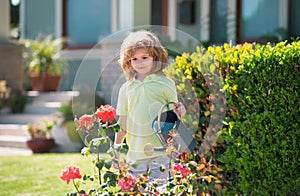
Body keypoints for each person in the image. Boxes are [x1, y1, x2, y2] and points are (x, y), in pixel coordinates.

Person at [114, 30, 186, 179]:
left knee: (160, 189)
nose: (139, 63)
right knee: (137, 190)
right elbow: (123, 123)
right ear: (128, 62)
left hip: (162, 151)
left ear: (155, 57)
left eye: (144, 57)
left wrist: (180, 111)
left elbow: (174, 116)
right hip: (135, 153)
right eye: (134, 59)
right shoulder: (126, 89)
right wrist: (116, 149)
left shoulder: (166, 84)